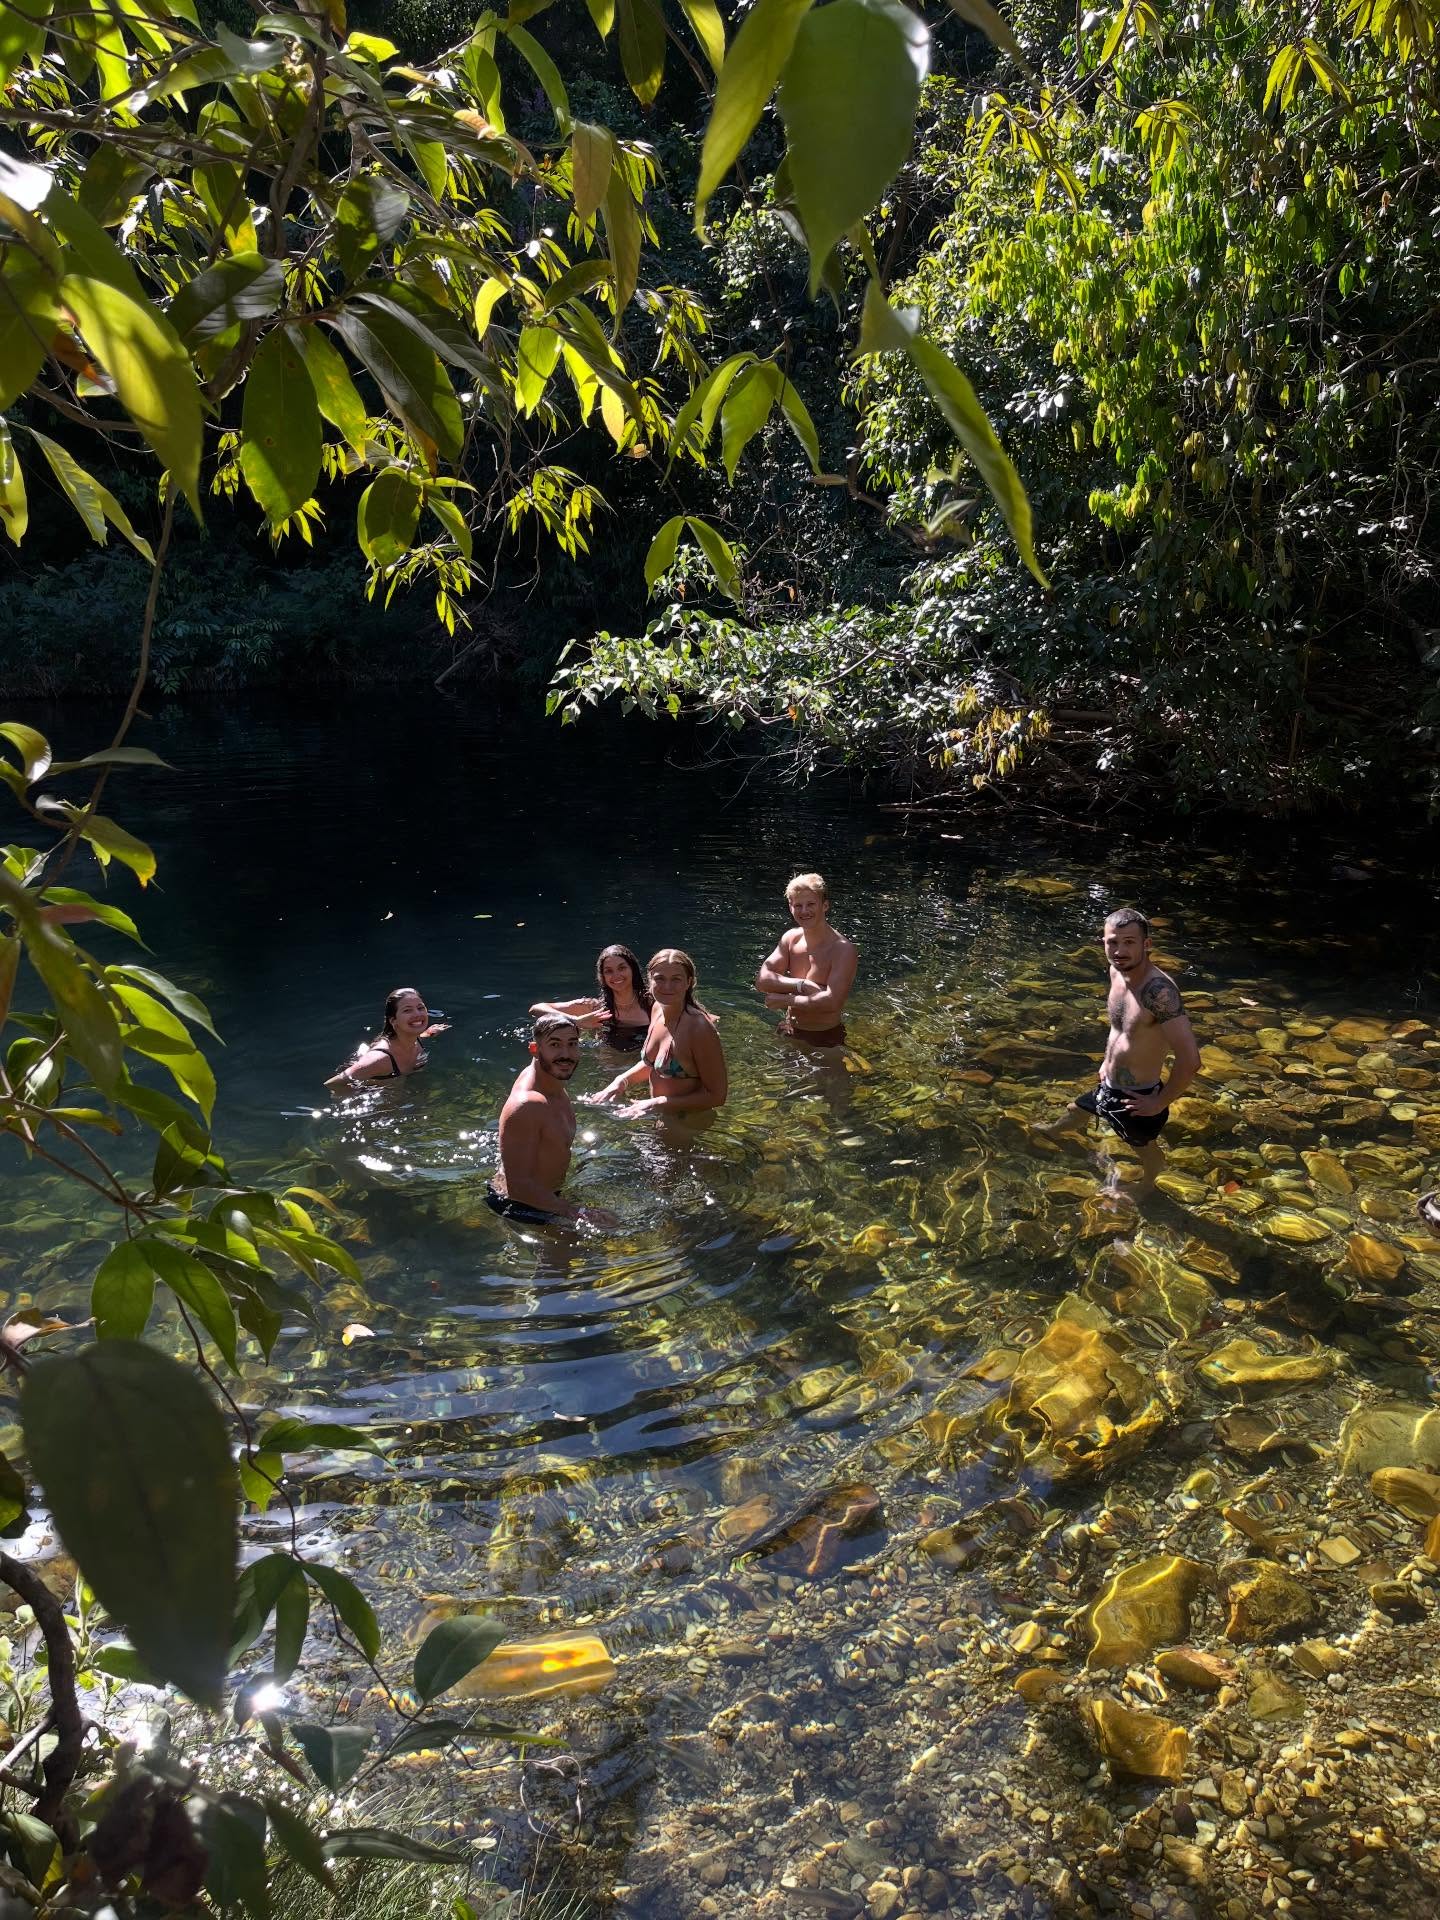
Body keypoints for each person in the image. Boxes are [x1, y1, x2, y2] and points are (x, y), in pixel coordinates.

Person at [1058, 907, 1200, 1192]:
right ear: (1103, 941)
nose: (1119, 950)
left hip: (1136, 1099)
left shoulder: (1159, 993)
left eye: (1129, 942)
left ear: (1146, 945)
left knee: (1145, 1150)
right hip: (1108, 1083)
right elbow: (1120, 1030)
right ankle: (1054, 1133)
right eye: (1113, 941)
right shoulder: (1116, 972)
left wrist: (1158, 1103)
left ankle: (1149, 1187)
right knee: (1077, 1110)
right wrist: (1105, 1062)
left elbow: (1190, 1060)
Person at [486, 1014, 618, 1226]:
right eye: (555, 1045)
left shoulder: (550, 1082)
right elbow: (518, 1186)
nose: (565, 1055)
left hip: (547, 1198)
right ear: (534, 1049)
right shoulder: (527, 1105)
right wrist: (575, 1212)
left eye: (572, 1044)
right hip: (522, 1207)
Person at [588, 949, 727, 1117]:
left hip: (687, 1123)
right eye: (660, 978)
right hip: (657, 1114)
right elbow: (653, 1063)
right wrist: (621, 1081)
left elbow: (717, 1096)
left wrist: (657, 1103)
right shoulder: (657, 1009)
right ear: (650, 979)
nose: (667, 986)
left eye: (676, 979)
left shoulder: (699, 1028)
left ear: (688, 982)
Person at [754, 872, 858, 1048]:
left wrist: (786, 1000)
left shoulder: (842, 949)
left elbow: (833, 1002)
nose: (804, 911)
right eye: (798, 905)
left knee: (832, 1077)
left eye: (810, 904)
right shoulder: (791, 939)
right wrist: (801, 985)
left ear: (825, 905)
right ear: (790, 907)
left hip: (824, 1037)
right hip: (789, 1029)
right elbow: (762, 981)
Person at [529, 944, 653, 1051]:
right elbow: (536, 1009)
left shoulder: (652, 1003)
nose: (616, 975)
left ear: (633, 969)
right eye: (608, 971)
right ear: (602, 977)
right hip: (611, 1066)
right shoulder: (595, 1008)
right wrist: (575, 1020)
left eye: (622, 968)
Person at [325, 987, 449, 1089]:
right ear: (393, 1021)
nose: (417, 1014)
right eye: (407, 1010)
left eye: (420, 1008)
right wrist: (355, 1098)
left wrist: (429, 1033)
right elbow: (332, 1084)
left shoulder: (414, 1039)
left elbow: (419, 1037)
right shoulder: (380, 1059)